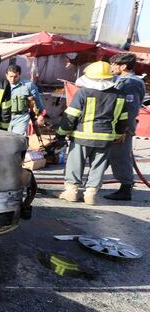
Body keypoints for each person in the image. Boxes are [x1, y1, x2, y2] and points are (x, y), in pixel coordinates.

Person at [57, 61, 129, 205]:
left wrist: (61, 132)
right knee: (99, 166)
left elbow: (71, 116)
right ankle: (90, 194)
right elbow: (123, 119)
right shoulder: (119, 95)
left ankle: (71, 192)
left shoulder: (83, 92)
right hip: (106, 137)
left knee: (75, 163)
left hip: (82, 136)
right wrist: (120, 134)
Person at [104, 53, 146, 200]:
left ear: (123, 66)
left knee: (120, 156)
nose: (111, 67)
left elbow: (130, 108)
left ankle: (125, 189)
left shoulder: (131, 83)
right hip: (116, 125)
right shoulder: (122, 80)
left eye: (114, 64)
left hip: (123, 127)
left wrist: (123, 129)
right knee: (110, 155)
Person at [5, 64, 47, 136]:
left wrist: (40, 115)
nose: (12, 79)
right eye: (10, 76)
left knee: (19, 139)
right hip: (6, 117)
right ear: (6, 75)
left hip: (21, 117)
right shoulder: (2, 85)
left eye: (15, 77)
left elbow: (38, 101)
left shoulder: (28, 85)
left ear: (19, 75)